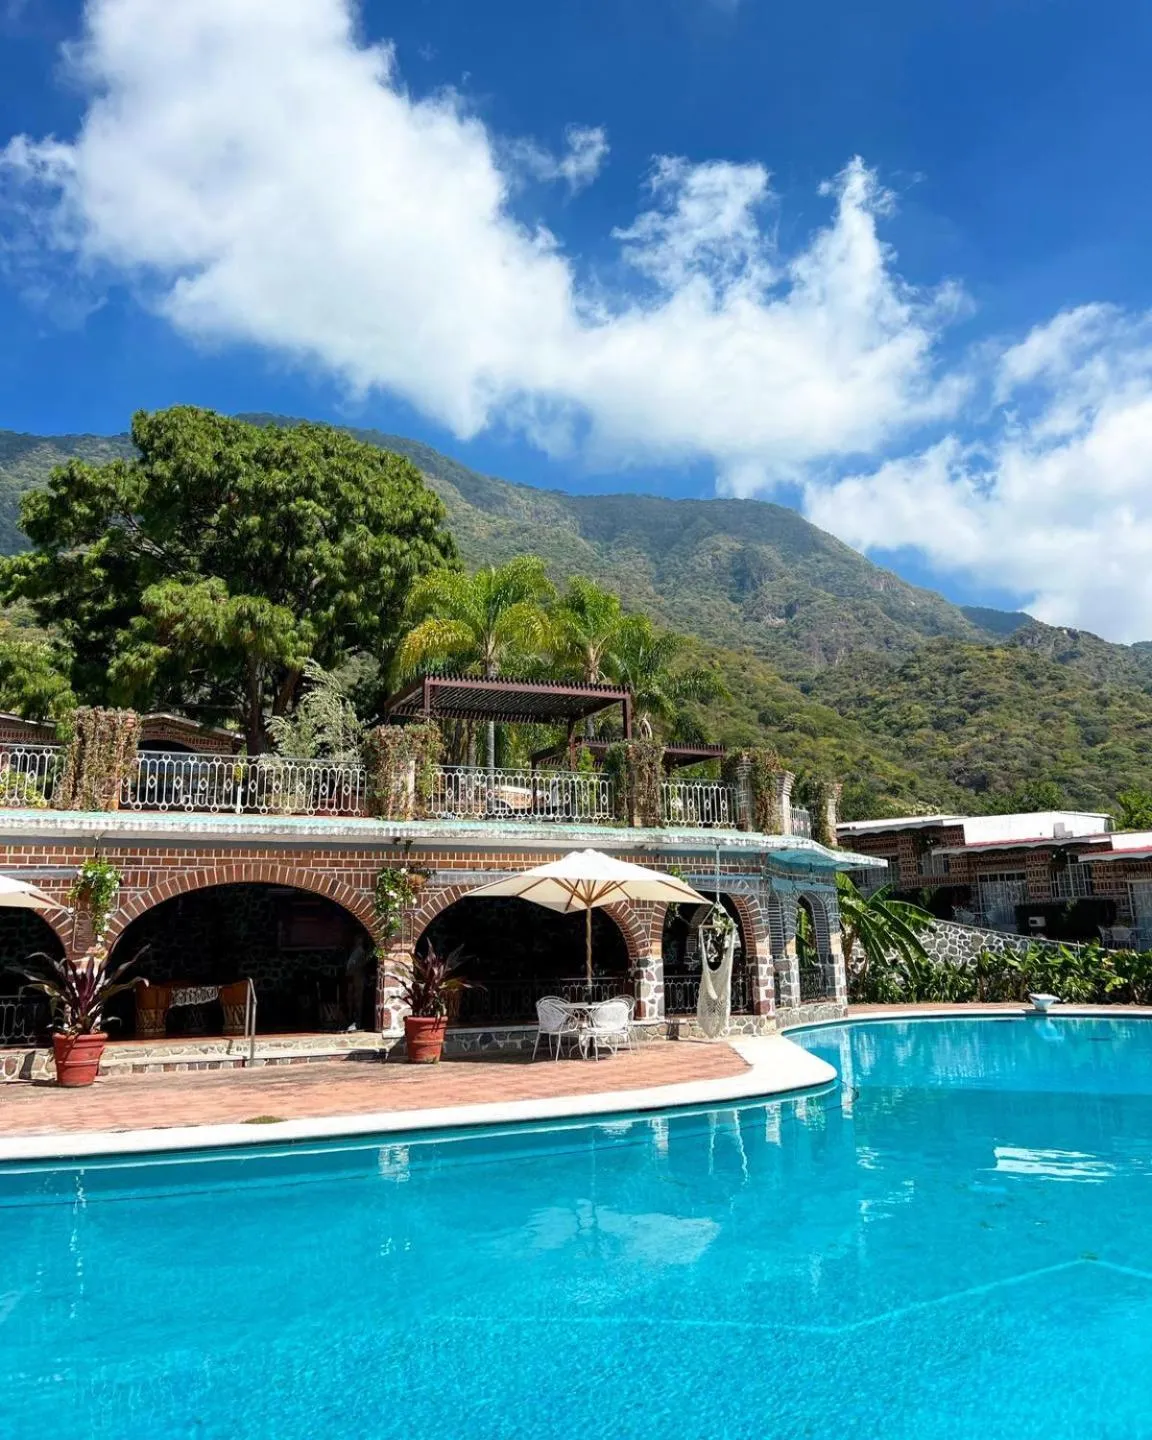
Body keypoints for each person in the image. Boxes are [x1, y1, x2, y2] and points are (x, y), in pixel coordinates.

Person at [344, 935, 370, 1031]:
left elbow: (361, 965)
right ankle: (351, 1019)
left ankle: (357, 1022)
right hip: (352, 978)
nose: (357, 940)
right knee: (351, 999)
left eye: (359, 938)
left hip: (358, 978)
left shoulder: (361, 952)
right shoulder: (353, 951)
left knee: (357, 1000)